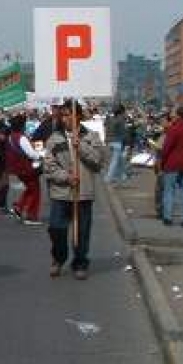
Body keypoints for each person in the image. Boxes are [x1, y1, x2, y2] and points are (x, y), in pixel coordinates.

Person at [43, 100, 105, 280]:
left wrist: (81, 147)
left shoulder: (91, 136)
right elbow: (49, 166)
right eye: (63, 115)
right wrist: (66, 177)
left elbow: (99, 162)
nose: (65, 118)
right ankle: (58, 257)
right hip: (61, 192)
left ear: (78, 116)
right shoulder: (55, 139)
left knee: (82, 232)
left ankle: (80, 262)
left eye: (69, 114)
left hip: (83, 193)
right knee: (56, 228)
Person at [5, 113, 43, 225]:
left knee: (30, 188)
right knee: (35, 190)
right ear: (22, 126)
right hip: (27, 168)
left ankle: (19, 207)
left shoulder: (11, 137)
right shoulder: (21, 137)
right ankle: (31, 215)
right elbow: (31, 154)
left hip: (17, 169)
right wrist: (40, 156)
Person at [104, 105, 129, 184]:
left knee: (120, 159)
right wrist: (127, 142)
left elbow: (106, 129)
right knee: (114, 161)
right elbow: (123, 132)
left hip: (109, 141)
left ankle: (122, 175)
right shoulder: (121, 120)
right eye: (124, 111)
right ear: (121, 112)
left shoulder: (109, 119)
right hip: (117, 142)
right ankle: (108, 177)